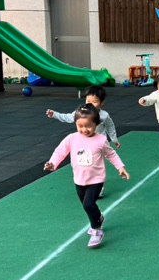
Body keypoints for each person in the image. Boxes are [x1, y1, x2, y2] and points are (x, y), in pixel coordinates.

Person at [44, 104, 130, 248]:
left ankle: (97, 230)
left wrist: (121, 167)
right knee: (87, 205)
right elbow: (60, 152)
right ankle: (99, 217)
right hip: (79, 179)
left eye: (88, 126)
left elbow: (111, 154)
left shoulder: (101, 140)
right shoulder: (72, 138)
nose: (84, 130)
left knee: (88, 204)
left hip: (96, 179)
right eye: (80, 126)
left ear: (96, 124)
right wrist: (52, 163)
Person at [47, 85, 119, 198]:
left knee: (97, 165)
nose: (91, 104)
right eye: (88, 101)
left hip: (98, 145)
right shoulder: (81, 113)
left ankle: (99, 187)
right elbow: (69, 117)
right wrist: (55, 115)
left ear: (102, 103)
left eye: (94, 102)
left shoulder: (104, 115)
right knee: (85, 163)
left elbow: (110, 126)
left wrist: (114, 139)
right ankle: (84, 183)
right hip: (84, 143)